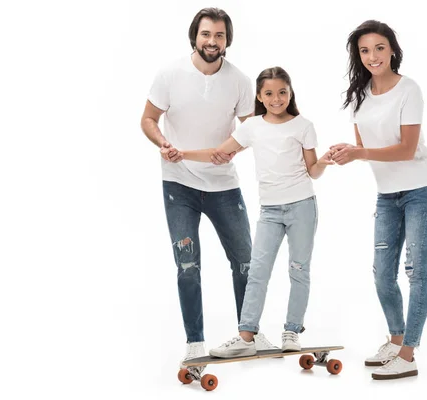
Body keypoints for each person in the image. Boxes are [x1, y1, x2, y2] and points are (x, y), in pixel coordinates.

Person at [140, 7, 277, 372]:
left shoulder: (240, 81)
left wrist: (231, 148)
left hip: (223, 186)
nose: (211, 42)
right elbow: (148, 119)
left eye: (218, 35)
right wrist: (163, 143)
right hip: (178, 184)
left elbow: (254, 129)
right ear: (195, 37)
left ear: (227, 40)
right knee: (188, 266)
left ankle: (251, 334)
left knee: (246, 262)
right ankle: (195, 343)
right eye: (205, 34)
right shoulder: (170, 74)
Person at [181, 66, 334, 357]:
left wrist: (325, 161)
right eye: (269, 93)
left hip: (302, 205)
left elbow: (313, 171)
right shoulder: (252, 127)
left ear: (290, 92)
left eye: (282, 92)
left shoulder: (304, 125)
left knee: (299, 270)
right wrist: (182, 153)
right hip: (270, 211)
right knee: (258, 271)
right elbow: (219, 154)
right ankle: (246, 336)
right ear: (260, 97)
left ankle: (292, 330)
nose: (277, 98)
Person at [331, 20, 427, 380]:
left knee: (417, 272)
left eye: (379, 48)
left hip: (421, 191)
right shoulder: (358, 96)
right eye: (365, 50)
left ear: (392, 49)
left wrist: (359, 153)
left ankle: (409, 353)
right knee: (382, 274)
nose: (373, 56)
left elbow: (407, 150)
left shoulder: (409, 90)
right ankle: (395, 341)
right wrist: (347, 152)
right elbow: (366, 148)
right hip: (386, 195)